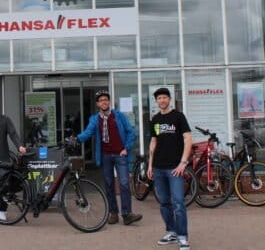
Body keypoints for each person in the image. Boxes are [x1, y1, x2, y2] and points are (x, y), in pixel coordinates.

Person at [75, 89, 142, 226]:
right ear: (97, 104)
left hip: (120, 155)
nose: (103, 102)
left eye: (106, 99)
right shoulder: (95, 119)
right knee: (109, 184)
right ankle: (113, 213)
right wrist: (76, 139)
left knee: (123, 183)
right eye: (101, 100)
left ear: (109, 101)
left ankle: (127, 214)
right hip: (105, 156)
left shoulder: (119, 116)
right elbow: (87, 133)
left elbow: (131, 132)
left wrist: (126, 148)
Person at [147, 87, 192, 250]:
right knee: (164, 202)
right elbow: (153, 142)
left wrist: (183, 163)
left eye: (165, 97)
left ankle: (182, 236)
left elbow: (188, 139)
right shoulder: (155, 119)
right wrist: (150, 165)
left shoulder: (178, 117)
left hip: (175, 168)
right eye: (159, 98)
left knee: (178, 203)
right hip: (158, 167)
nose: (162, 100)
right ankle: (171, 231)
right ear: (156, 101)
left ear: (170, 99)